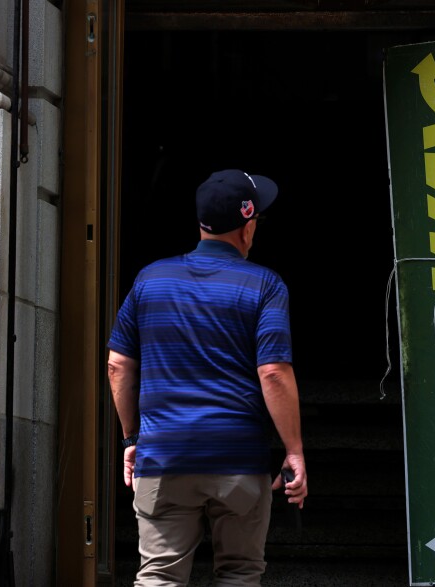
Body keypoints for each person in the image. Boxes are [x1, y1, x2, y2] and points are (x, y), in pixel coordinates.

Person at [107, 168, 307, 586]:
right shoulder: (265, 285)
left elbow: (118, 364)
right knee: (239, 573)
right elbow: (272, 371)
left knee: (159, 575)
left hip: (163, 456)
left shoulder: (150, 279)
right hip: (238, 459)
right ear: (248, 226)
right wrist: (294, 451)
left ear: (202, 224)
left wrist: (131, 438)